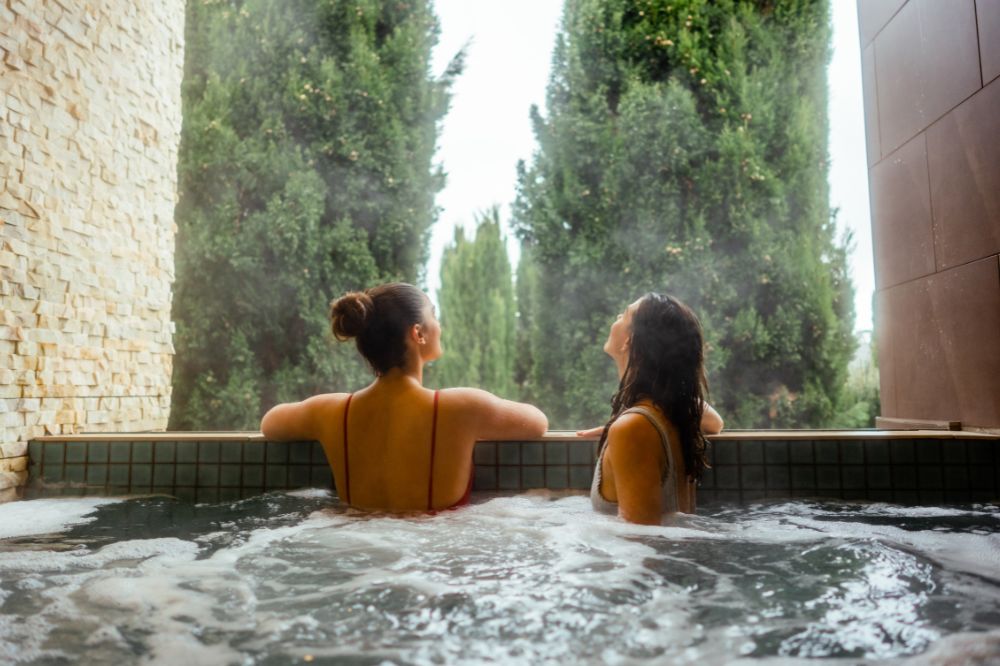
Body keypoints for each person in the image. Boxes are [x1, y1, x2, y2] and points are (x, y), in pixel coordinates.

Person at [261, 282, 547, 512]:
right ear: (418, 333)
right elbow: (538, 423)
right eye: (434, 315)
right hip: (428, 554)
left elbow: (270, 424)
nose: (439, 325)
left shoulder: (330, 411)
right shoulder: (463, 407)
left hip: (357, 546)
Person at [578, 293, 723, 524]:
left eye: (624, 315)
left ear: (630, 340)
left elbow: (641, 540)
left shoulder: (634, 428)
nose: (617, 317)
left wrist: (626, 428)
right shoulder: (670, 413)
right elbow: (715, 422)